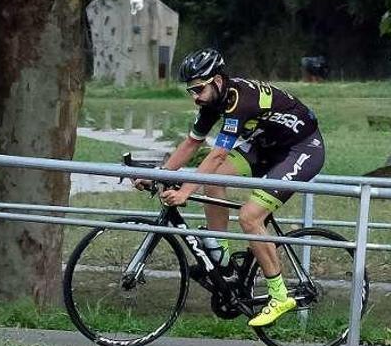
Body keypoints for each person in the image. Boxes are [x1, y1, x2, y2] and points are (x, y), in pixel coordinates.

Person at [134, 47, 325, 327]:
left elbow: (218, 153)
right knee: (216, 180)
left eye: (198, 89)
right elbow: (191, 143)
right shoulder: (212, 101)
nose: (195, 97)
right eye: (191, 91)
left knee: (249, 216)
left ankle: (279, 295)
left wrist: (186, 190)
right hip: (265, 146)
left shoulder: (239, 100)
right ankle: (220, 255)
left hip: (301, 148)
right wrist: (159, 174)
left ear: (218, 81)